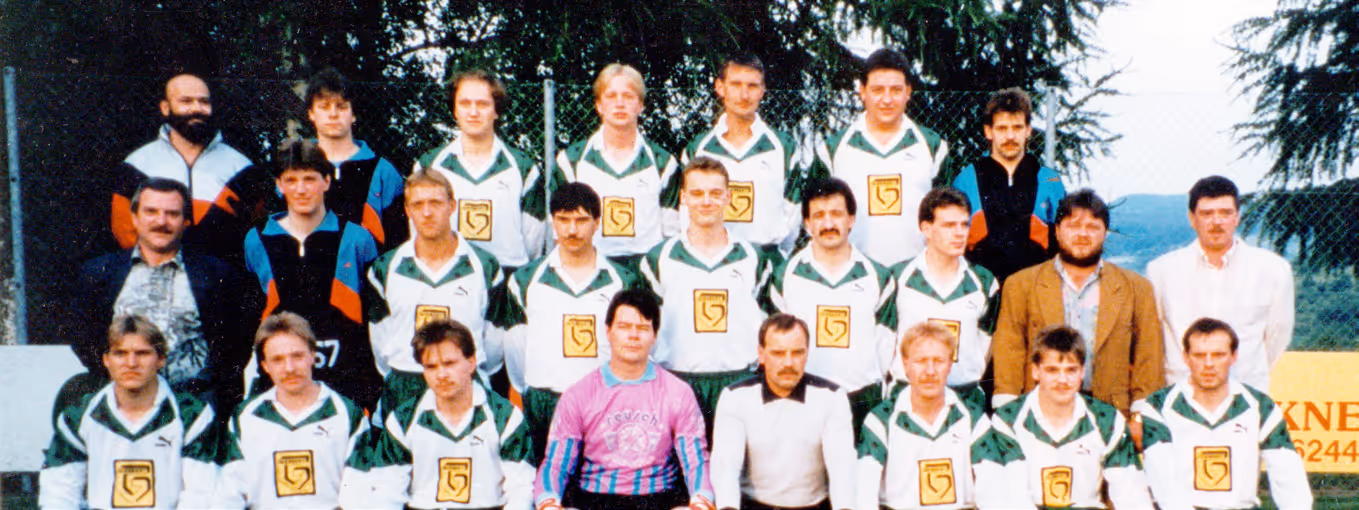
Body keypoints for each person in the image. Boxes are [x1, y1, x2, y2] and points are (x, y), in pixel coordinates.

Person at [63, 177, 259, 419]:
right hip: (124, 407)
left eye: (172, 214)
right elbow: (83, 337)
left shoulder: (219, 275)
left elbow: (236, 346)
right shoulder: (100, 274)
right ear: (134, 216)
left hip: (196, 409)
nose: (161, 222)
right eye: (151, 212)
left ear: (186, 221)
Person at [490, 182, 646, 461]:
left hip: (605, 400)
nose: (572, 230)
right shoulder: (525, 281)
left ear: (597, 222)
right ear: (552, 222)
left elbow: (636, 343)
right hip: (545, 402)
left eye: (581, 220)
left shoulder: (623, 280)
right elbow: (516, 349)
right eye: (563, 220)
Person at [990, 189, 1164, 424]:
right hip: (1038, 416)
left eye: (1093, 227)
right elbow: (1009, 353)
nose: (1083, 234)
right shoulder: (1021, 285)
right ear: (1058, 231)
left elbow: (1148, 358)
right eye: (1073, 226)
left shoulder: (1136, 288)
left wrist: (1142, 417)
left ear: (1105, 233)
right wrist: (1008, 414)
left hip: (1111, 415)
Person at [535, 289, 714, 510]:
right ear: (608, 331)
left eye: (643, 328)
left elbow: (696, 460)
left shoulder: (678, 392)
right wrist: (548, 502)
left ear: (655, 336)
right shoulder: (578, 394)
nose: (633, 336)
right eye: (624, 327)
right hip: (596, 499)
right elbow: (556, 464)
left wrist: (701, 501)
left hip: (658, 498)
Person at [642, 157, 783, 439]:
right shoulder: (659, 259)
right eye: (697, 193)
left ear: (729, 197)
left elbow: (772, 327)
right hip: (678, 381)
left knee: (737, 474)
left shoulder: (754, 258)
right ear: (683, 198)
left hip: (739, 381)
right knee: (682, 475)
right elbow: (646, 329)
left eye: (715, 193)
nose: (706, 201)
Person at [243, 139, 382, 409]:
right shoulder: (257, 239)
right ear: (279, 185)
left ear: (326, 182)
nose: (301, 189)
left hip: (345, 374)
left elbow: (371, 316)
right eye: (291, 180)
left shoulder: (355, 238)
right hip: (283, 374)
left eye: (310, 179)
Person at [340, 319, 535, 510]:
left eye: (449, 363)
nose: (441, 375)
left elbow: (520, 492)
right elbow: (387, 494)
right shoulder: (403, 420)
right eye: (431, 366)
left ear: (471, 362)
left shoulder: (505, 417)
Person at [40, 315, 221, 509]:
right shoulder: (78, 416)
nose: (131, 363)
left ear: (161, 359)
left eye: (142, 353)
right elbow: (59, 494)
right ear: (106, 360)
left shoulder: (192, 415)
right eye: (120, 353)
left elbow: (201, 496)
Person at [367, 169, 504, 421]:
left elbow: (494, 341)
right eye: (418, 204)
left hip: (466, 383)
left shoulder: (484, 266)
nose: (427, 212)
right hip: (405, 383)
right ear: (407, 210)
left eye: (435, 203)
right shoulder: (385, 268)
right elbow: (381, 340)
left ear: (452, 206)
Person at [1133, 318, 1312, 510]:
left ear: (1233, 356)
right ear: (1186, 357)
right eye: (1199, 355)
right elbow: (1163, 482)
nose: (1209, 364)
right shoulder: (1158, 407)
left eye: (1218, 355)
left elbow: (1288, 477)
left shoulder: (1260, 407)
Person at [973, 326, 1152, 509]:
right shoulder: (1008, 421)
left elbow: (1132, 495)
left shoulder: (1107, 420)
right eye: (1052, 370)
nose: (1062, 380)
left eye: (1071, 370)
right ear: (1036, 371)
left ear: (1082, 372)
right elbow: (1011, 498)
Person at [769, 177, 897, 433]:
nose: (828, 224)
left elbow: (886, 348)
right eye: (819, 215)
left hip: (863, 398)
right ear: (806, 223)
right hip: (804, 397)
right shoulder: (785, 277)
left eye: (837, 214)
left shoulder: (878, 277)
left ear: (851, 219)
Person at [1146, 175, 1295, 390]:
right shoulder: (1161, 271)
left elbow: (1278, 336)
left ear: (1237, 217)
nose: (1217, 222)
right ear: (1192, 218)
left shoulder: (1273, 270)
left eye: (1226, 213)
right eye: (1207, 213)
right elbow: (1154, 339)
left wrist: (1244, 373)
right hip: (1180, 397)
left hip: (1246, 395)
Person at [809, 48, 949, 266]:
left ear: (908, 91)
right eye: (877, 89)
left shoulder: (932, 146)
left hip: (916, 275)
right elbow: (814, 218)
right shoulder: (833, 150)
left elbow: (946, 218)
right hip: (854, 276)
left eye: (895, 90)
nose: (886, 99)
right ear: (862, 91)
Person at [216, 312, 368, 508]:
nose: (289, 368)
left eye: (297, 356)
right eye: (277, 359)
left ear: (313, 355)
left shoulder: (346, 413)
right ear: (265, 366)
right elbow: (230, 493)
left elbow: (360, 492)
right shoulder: (246, 416)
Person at [711, 314, 855, 510]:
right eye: (778, 353)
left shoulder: (832, 397)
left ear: (807, 353)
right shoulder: (735, 397)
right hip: (754, 506)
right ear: (761, 354)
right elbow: (726, 467)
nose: (788, 363)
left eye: (797, 353)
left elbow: (842, 467)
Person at [107, 73, 252, 255]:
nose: (197, 108)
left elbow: (252, 232)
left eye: (204, 102)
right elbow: (124, 229)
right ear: (165, 108)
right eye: (186, 101)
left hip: (221, 279)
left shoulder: (240, 167)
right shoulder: (137, 164)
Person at [416, 69, 546, 269]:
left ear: (496, 110)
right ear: (454, 110)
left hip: (506, 278)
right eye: (465, 103)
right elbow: (419, 230)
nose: (473, 112)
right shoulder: (430, 165)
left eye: (483, 104)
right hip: (450, 275)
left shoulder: (523, 167)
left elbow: (533, 241)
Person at [553, 63, 682, 260]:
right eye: (611, 96)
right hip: (594, 268)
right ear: (599, 106)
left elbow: (671, 231)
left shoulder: (664, 163)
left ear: (640, 105)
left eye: (628, 96)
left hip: (644, 269)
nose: (620, 104)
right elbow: (559, 228)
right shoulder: (571, 161)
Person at [857, 322, 989, 510]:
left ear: (950, 364)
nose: (930, 371)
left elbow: (993, 490)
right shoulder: (880, 421)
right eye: (921, 361)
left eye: (939, 361)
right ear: (905, 364)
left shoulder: (974, 419)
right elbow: (864, 496)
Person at [681, 52, 802, 251]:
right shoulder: (699, 148)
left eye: (752, 86)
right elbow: (686, 212)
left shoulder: (783, 147)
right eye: (736, 84)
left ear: (762, 90)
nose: (744, 95)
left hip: (767, 259)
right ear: (720, 87)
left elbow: (793, 213)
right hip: (714, 257)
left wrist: (778, 256)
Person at [890, 187, 1000, 395]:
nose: (959, 233)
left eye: (964, 225)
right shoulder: (898, 277)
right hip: (908, 392)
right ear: (926, 228)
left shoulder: (984, 282)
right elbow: (886, 342)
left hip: (964, 394)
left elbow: (985, 344)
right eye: (949, 225)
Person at [952, 88, 1065, 284]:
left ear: (1028, 130)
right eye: (1002, 128)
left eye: (1017, 127)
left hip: (1035, 287)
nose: (1010, 136)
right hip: (981, 289)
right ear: (989, 131)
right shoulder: (966, 179)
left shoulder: (1050, 179)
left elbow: (1064, 239)